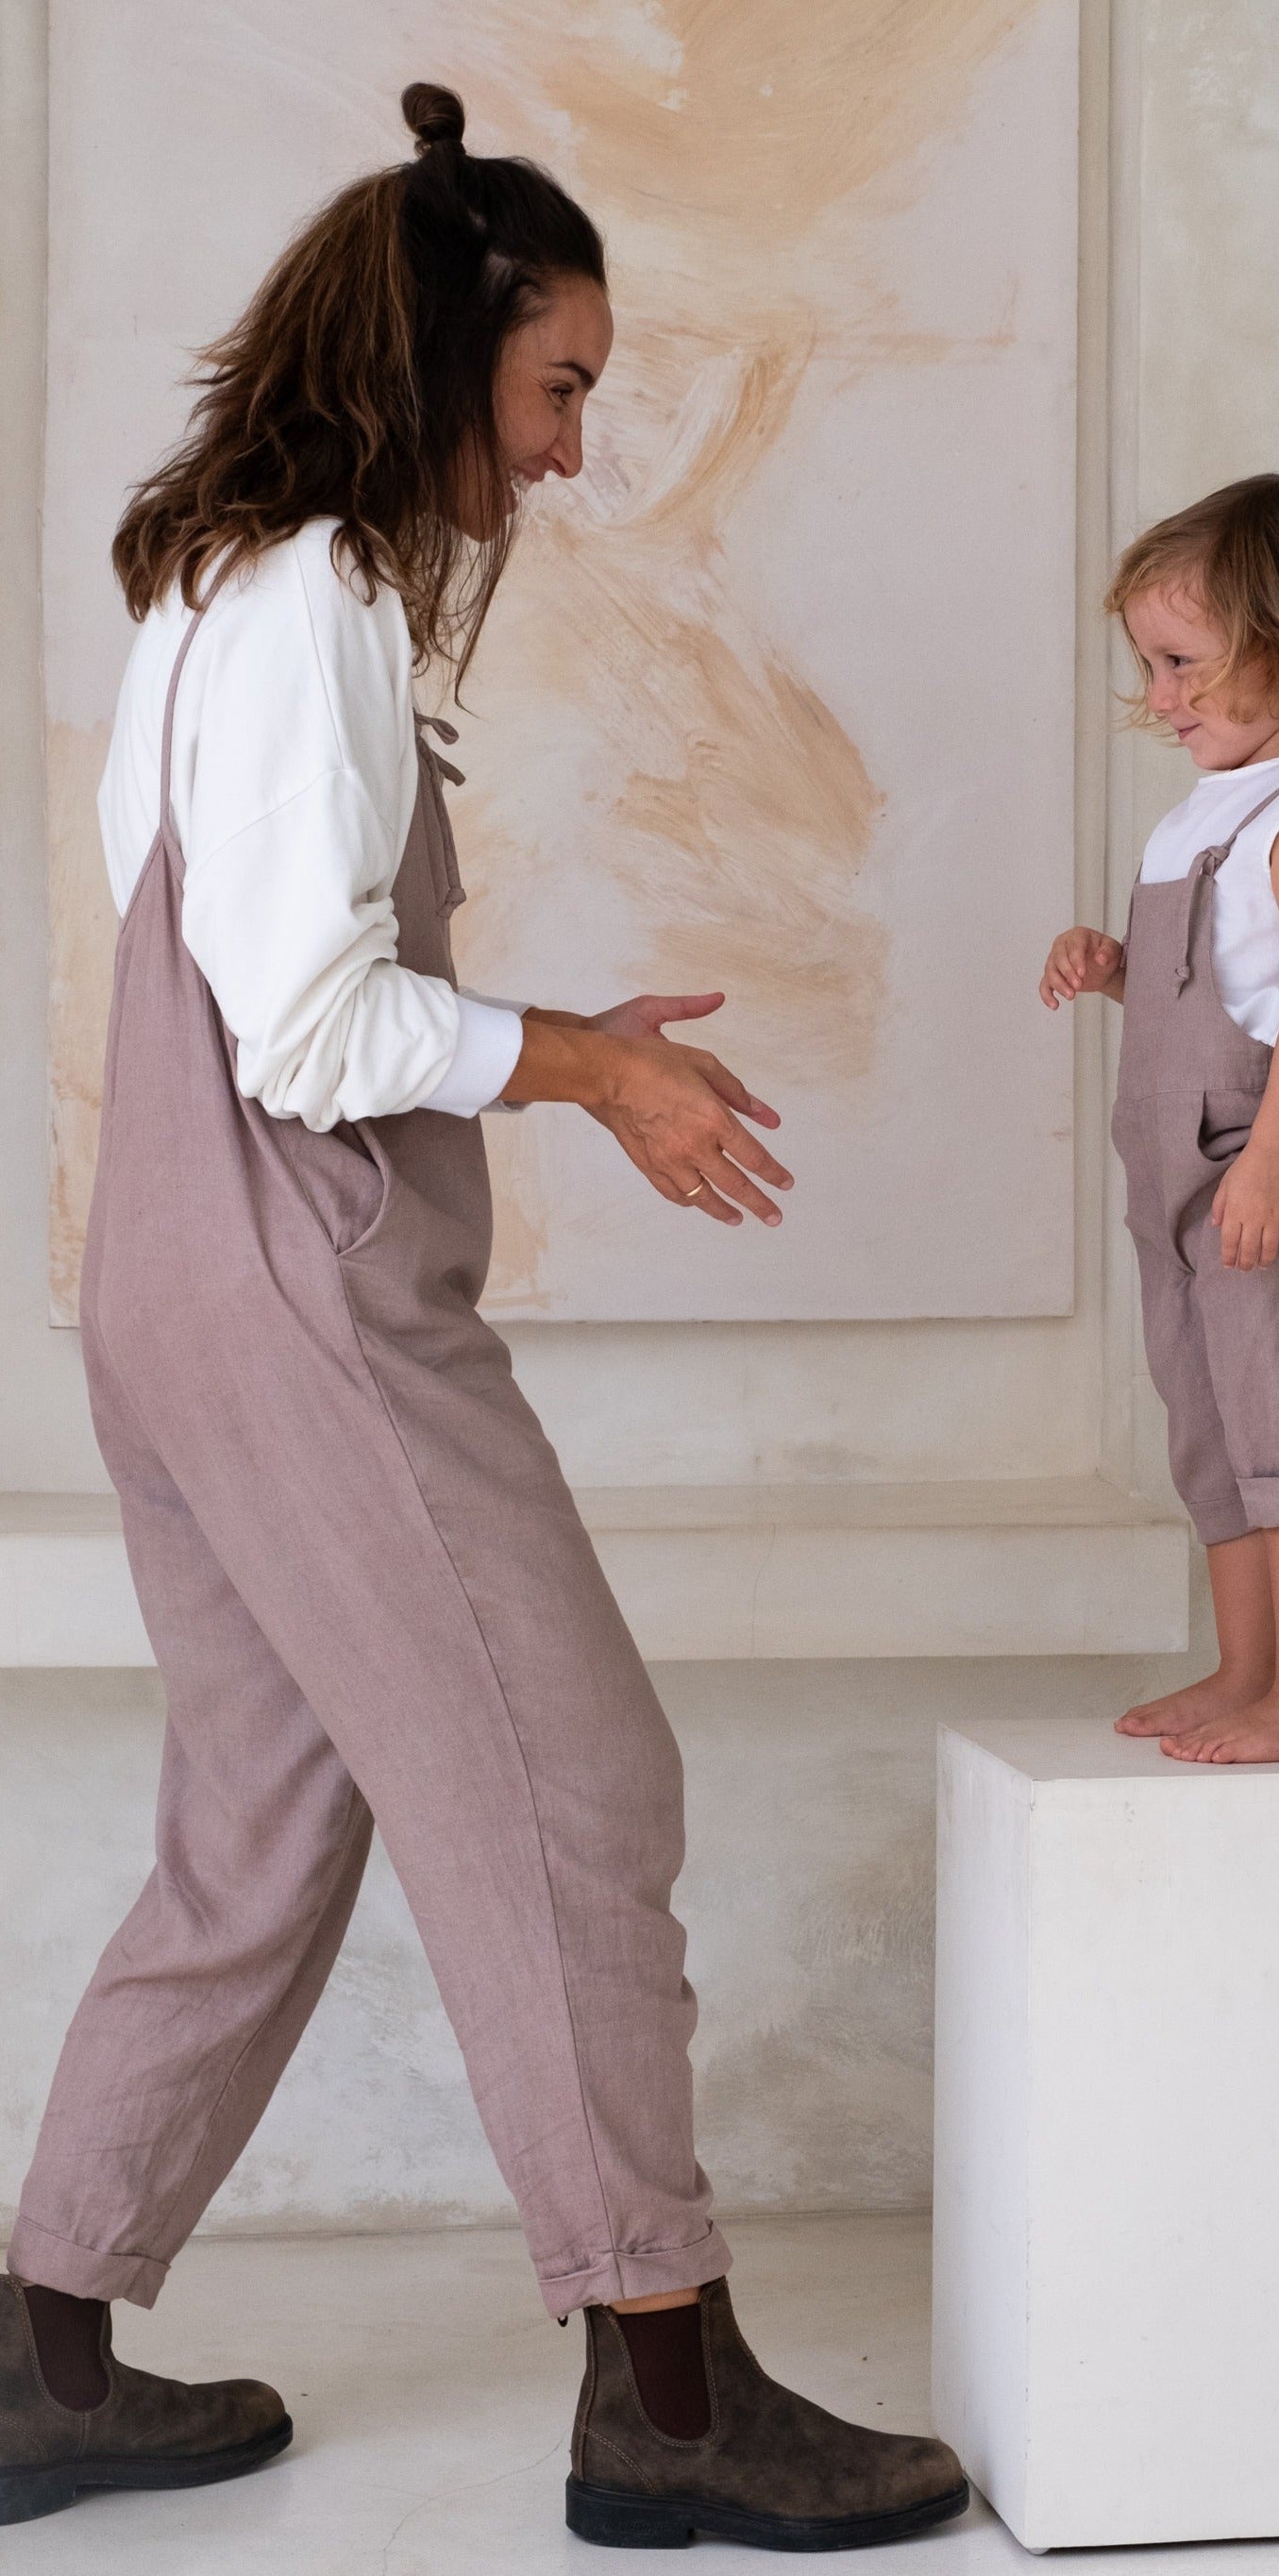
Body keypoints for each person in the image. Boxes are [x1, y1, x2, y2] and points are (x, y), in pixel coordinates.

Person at [0, 84, 967, 2550]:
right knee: (579, 1781)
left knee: (262, 1828)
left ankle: (35, 2351)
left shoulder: (214, 591)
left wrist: (555, 1040)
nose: (564, 453)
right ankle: (665, 2393)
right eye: (554, 391)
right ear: (443, 357)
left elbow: (247, 990)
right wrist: (584, 1064)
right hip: (306, 1296)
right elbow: (306, 1034)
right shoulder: (317, 596)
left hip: (170, 1290)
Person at [1042, 475, 1279, 1765]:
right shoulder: (1199, 814)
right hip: (1181, 1173)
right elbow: (1214, 989)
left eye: (1180, 663)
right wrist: (1113, 972)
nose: (1159, 696)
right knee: (1211, 1429)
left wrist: (1270, 1161)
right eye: (1150, 665)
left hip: (1274, 1167)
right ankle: (1247, 1666)